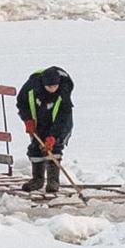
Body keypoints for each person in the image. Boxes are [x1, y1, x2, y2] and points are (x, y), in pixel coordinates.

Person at [19, 65, 75, 194]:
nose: (53, 89)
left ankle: (53, 181)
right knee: (36, 147)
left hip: (59, 124)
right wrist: (27, 119)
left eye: (55, 86)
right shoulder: (31, 87)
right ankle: (37, 180)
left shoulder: (63, 92)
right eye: (49, 87)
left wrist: (53, 137)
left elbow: (63, 119)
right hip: (38, 120)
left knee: (54, 148)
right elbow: (22, 103)